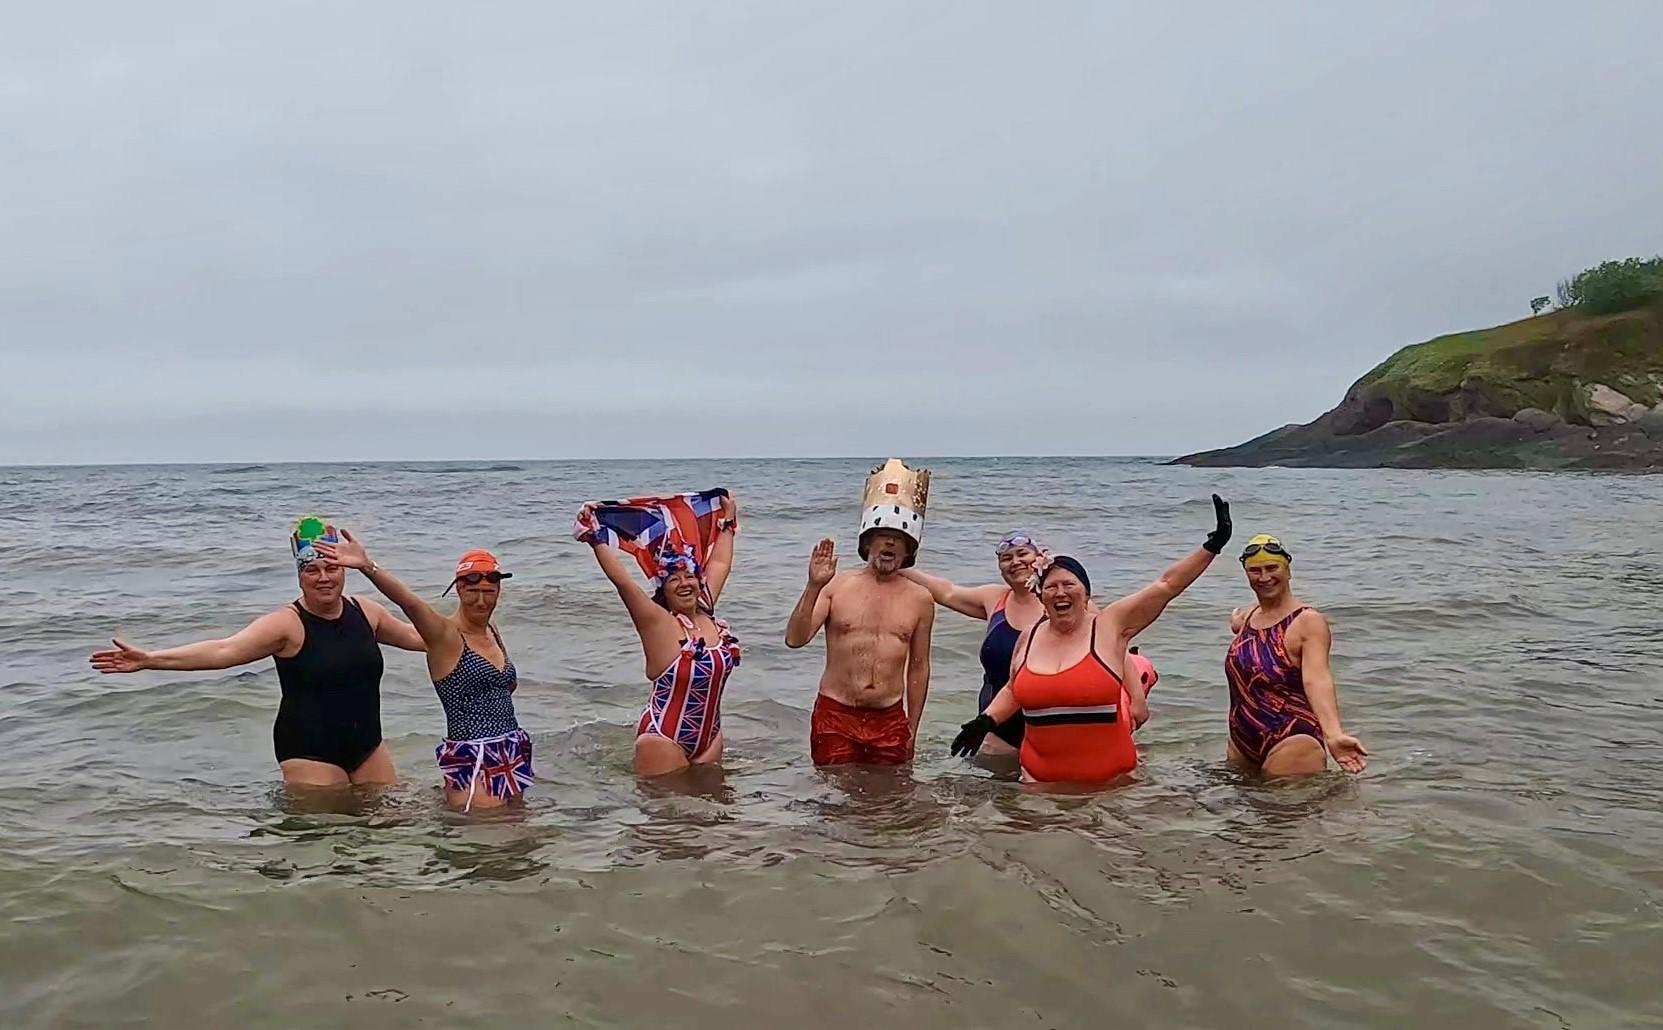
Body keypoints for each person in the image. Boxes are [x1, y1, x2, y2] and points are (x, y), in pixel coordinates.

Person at [88, 517, 425, 788]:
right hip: (310, 753)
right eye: (312, 570)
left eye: (332, 568)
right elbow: (224, 650)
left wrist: (473, 627)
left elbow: (424, 637)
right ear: (299, 576)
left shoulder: (367, 612)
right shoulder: (286, 624)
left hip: (369, 747)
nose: (323, 578)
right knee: (324, 849)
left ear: (345, 570)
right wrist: (151, 659)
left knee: (385, 839)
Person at [950, 496, 1233, 784]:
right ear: (1040, 596)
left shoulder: (1109, 627)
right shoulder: (1028, 638)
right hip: (1037, 786)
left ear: (1086, 594)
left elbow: (1165, 585)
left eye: (1069, 585)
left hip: (1110, 790)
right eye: (1051, 587)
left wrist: (1211, 547)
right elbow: (1014, 688)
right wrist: (986, 720)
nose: (1060, 593)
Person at [313, 533, 534, 810]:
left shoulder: (492, 631)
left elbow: (502, 689)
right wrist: (368, 567)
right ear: (458, 590)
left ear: (498, 591)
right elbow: (410, 603)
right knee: (482, 841)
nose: (481, 601)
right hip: (473, 757)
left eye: (488, 593)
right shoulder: (445, 636)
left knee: (518, 838)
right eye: (472, 592)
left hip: (511, 749)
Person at [905, 530, 1159, 753]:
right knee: (997, 800)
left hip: (1051, 724)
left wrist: (1136, 700)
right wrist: (901, 565)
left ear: (1039, 559)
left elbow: (1114, 646)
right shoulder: (994, 599)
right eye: (1006, 558)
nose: (1015, 562)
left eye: (1022, 554)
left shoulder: (1069, 602)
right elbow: (946, 591)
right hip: (998, 726)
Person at [576, 490, 741, 778]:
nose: (684, 584)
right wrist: (594, 539)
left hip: (710, 737)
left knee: (717, 815)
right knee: (666, 821)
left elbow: (719, 564)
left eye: (690, 576)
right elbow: (624, 584)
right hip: (663, 739)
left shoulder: (706, 612)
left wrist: (728, 522)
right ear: (663, 590)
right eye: (674, 580)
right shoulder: (659, 623)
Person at [785, 459, 935, 766]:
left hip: (890, 716)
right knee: (835, 800)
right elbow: (795, 640)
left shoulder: (920, 599)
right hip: (836, 713)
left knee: (888, 802)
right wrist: (813, 586)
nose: (890, 542)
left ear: (909, 550)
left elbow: (919, 668)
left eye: (899, 538)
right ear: (868, 543)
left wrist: (912, 729)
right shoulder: (836, 587)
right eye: (883, 535)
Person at [1225, 534, 1367, 776]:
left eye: (1272, 568)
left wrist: (1333, 734)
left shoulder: (1308, 622)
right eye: (1255, 571)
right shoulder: (1250, 616)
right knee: (1233, 811)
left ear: (1288, 570)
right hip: (1242, 739)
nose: (1265, 577)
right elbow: (1244, 631)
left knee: (1286, 811)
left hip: (1293, 740)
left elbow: (1317, 679)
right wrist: (1236, 621)